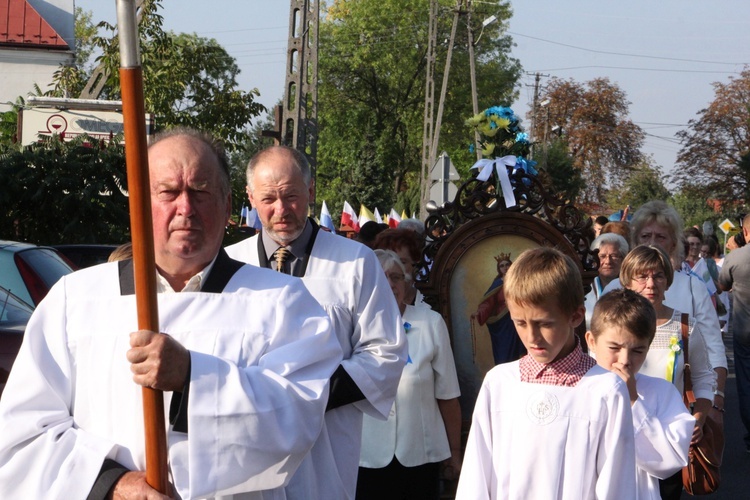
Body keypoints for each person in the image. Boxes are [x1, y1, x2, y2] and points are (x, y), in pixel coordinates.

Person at [0, 128, 343, 499]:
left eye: (200, 191)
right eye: (168, 192)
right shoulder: (75, 300)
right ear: (140, 204)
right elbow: (24, 431)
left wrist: (194, 378)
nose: (185, 207)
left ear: (227, 206)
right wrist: (112, 483)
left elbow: (297, 418)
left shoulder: (284, 303)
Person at [225, 145, 407, 500]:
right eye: (268, 199)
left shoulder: (356, 262)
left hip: (324, 447)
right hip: (247, 449)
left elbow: (385, 352)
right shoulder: (230, 265)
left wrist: (308, 396)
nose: (281, 211)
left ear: (310, 191)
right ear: (249, 197)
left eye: (291, 197)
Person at [456, 247, 636, 499]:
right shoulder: (499, 384)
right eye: (520, 322)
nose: (532, 337)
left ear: (575, 316)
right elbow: (476, 476)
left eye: (545, 324)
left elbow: (617, 484)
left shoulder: (604, 390)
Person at [603, 201, 727, 426]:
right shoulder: (614, 288)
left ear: (673, 243)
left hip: (674, 416)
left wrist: (715, 403)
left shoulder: (693, 286)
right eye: (645, 236)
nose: (652, 243)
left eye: (660, 237)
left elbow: (713, 351)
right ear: (635, 240)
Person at [357, 250, 461, 500]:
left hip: (420, 454)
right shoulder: (352, 328)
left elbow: (448, 396)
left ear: (406, 283)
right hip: (365, 456)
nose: (390, 285)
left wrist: (454, 454)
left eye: (396, 278)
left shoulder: (431, 323)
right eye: (382, 278)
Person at [619, 245, 715, 499]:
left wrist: (700, 418)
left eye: (658, 275)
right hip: (622, 437)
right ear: (628, 281)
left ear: (668, 281)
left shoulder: (684, 327)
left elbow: (705, 377)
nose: (651, 283)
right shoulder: (613, 326)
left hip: (666, 441)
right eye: (642, 276)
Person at [586, 288, 693, 500]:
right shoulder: (578, 388)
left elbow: (668, 461)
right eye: (614, 347)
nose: (625, 360)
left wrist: (633, 400)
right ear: (591, 341)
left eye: (637, 351)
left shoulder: (661, 393)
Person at [719, 214, 750, 453]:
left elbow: (723, 285)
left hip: (744, 330)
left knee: (746, 382)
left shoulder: (736, 257)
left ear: (746, 232)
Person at [470, 252, 524, 365]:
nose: (505, 267)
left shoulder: (520, 281)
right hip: (503, 323)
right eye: (502, 265)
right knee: (505, 351)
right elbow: (489, 302)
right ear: (499, 269)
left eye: (507, 264)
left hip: (518, 319)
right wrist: (479, 313)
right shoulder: (498, 283)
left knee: (519, 349)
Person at [373, 228, 430, 308]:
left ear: (414, 264)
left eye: (402, 262)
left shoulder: (428, 305)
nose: (395, 268)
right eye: (387, 262)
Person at [584, 232, 629, 329]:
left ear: (623, 259)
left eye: (614, 256)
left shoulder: (631, 286)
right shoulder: (585, 286)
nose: (608, 261)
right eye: (602, 256)